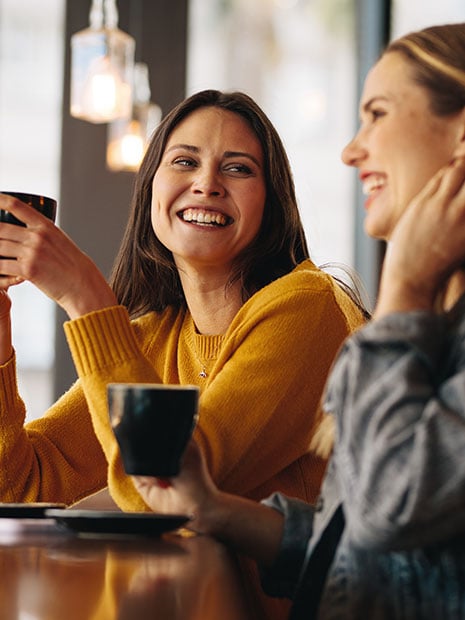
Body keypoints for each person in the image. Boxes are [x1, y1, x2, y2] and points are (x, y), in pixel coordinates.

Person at [132, 23, 465, 619]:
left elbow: (393, 504)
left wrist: (405, 289)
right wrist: (215, 509)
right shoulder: (440, 324)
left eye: (378, 114)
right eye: (183, 161)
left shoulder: (353, 308)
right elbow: (367, 558)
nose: (351, 149)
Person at [0, 90, 366, 619]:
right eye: (185, 161)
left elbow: (166, 490)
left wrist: (85, 297)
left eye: (237, 169)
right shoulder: (154, 335)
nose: (206, 183)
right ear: (151, 187)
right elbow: (20, 484)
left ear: (273, 202)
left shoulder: (306, 308)